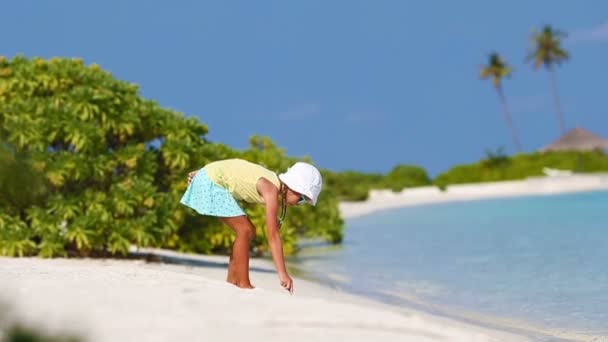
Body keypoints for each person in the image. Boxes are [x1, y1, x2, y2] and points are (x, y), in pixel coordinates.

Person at [180, 158, 322, 294]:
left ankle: (232, 281)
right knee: (245, 230)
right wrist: (283, 274)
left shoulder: (273, 184)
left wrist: (204, 172)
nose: (299, 204)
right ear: (294, 187)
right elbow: (272, 235)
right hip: (210, 181)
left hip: (208, 177)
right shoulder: (271, 189)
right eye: (302, 199)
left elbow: (237, 168)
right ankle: (243, 284)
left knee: (248, 230)